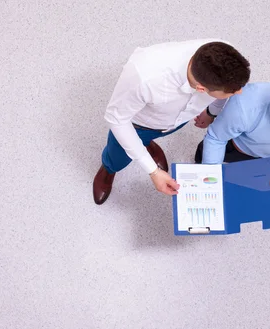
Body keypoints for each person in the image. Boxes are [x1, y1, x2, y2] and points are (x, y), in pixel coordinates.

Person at [93, 39, 250, 205]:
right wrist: (153, 171)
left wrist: (212, 112)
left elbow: (226, 90)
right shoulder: (144, 77)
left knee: (153, 136)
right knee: (118, 155)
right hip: (139, 125)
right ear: (201, 89)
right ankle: (109, 169)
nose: (240, 92)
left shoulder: (225, 58)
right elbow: (117, 119)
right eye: (232, 92)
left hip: (174, 121)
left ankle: (147, 143)